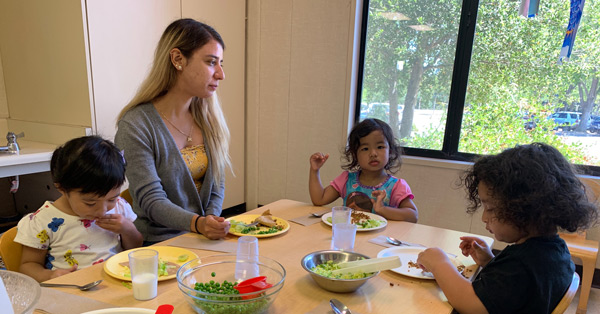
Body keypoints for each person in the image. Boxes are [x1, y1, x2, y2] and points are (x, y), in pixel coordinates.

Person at [417, 143, 598, 314]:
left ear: (525, 209)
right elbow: (517, 291)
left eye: (490, 208)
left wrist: (439, 262)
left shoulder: (522, 266)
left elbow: (469, 304)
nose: (484, 218)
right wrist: (489, 261)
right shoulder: (554, 250)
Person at [115, 18, 231, 244]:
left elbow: (217, 184)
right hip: (160, 245)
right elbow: (151, 201)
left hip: (202, 238)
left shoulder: (208, 118)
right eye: (211, 62)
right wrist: (199, 224)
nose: (220, 74)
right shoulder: (135, 125)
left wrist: (211, 221)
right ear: (178, 59)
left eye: (221, 64)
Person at [14, 136, 143, 282]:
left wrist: (127, 229)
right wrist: (50, 275)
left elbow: (135, 247)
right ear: (62, 188)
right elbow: (28, 266)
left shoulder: (119, 206)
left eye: (111, 199)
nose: (102, 210)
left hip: (116, 283)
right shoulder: (42, 221)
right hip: (71, 290)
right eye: (90, 203)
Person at [309, 118, 418, 221]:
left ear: (390, 151)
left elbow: (413, 215)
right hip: (349, 236)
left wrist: (383, 210)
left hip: (379, 239)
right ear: (355, 154)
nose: (373, 154)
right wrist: (315, 170)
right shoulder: (347, 180)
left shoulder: (396, 186)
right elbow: (319, 199)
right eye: (365, 149)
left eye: (380, 147)